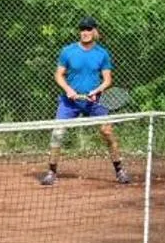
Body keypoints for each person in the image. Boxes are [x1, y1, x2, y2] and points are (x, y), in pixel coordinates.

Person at [41, 18, 130, 186]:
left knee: (107, 132)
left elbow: (107, 80)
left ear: (95, 31)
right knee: (57, 133)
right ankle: (51, 172)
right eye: (82, 29)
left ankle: (120, 171)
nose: (85, 32)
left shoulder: (102, 53)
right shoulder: (67, 51)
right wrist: (68, 90)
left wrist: (97, 91)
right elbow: (58, 74)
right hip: (70, 102)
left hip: (95, 101)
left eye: (88, 29)